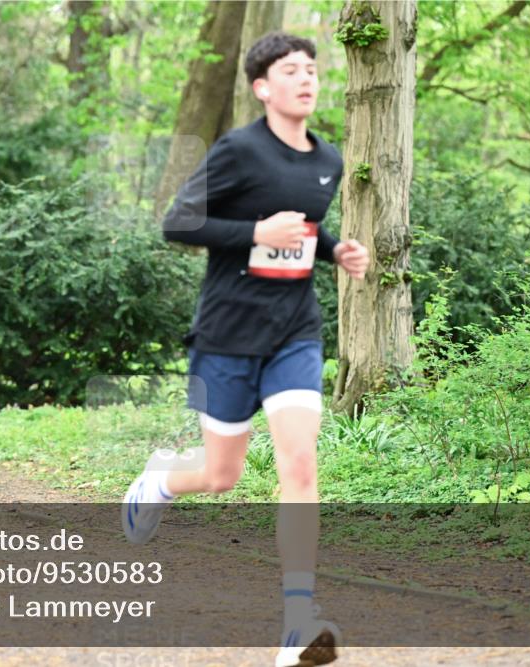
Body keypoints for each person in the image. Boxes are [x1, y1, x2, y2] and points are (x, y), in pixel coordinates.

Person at [121, 33, 369, 667]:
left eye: (312, 70)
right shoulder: (238, 150)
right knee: (222, 475)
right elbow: (178, 221)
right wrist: (254, 231)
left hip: (295, 332)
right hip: (229, 334)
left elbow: (306, 227)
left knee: (300, 465)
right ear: (263, 86)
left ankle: (296, 621)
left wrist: (335, 248)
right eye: (292, 71)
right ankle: (159, 483)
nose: (306, 79)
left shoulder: (328, 160)